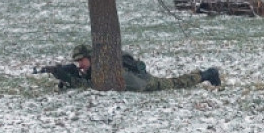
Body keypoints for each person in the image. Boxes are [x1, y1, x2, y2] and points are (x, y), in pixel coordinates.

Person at [48, 44, 221, 91]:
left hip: (145, 84)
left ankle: (207, 74)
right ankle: (206, 74)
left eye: (82, 60)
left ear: (90, 57)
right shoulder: (98, 67)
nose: (81, 65)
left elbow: (95, 86)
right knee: (174, 82)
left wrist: (69, 78)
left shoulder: (105, 69)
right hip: (139, 82)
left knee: (175, 83)